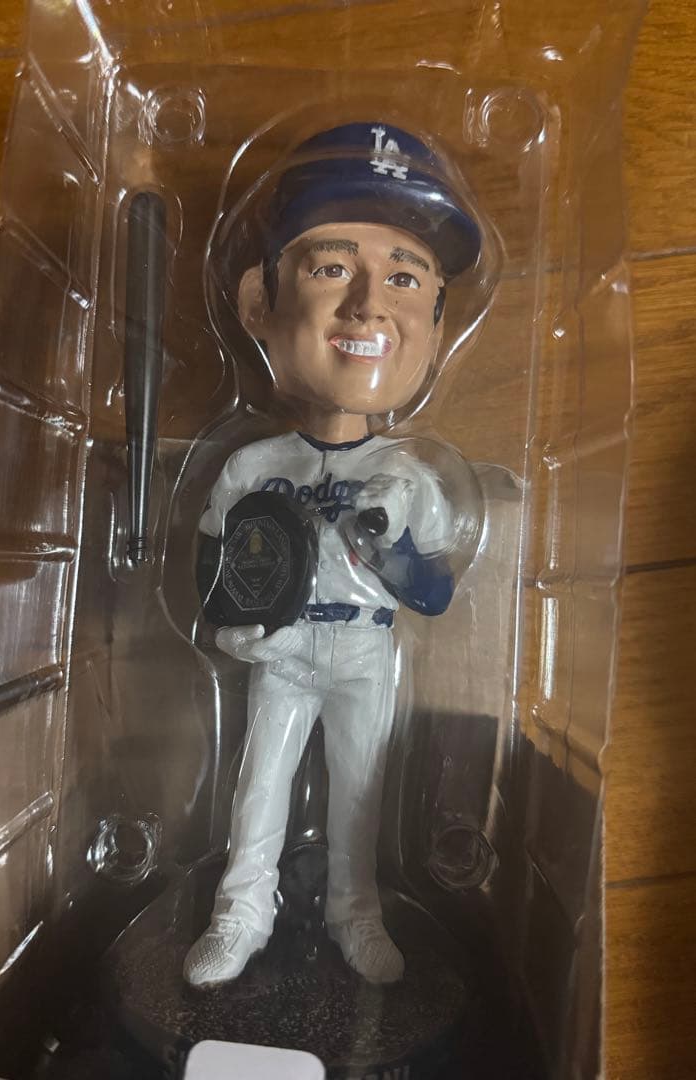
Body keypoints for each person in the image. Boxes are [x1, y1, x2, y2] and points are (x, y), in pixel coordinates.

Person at [183, 122, 481, 988]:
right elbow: (213, 566)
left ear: (436, 321)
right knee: (259, 784)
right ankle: (241, 912)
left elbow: (433, 593)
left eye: (404, 277)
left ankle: (358, 913)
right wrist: (233, 631)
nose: (368, 305)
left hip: (361, 645)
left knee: (360, 791)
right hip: (282, 647)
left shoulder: (408, 473)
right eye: (329, 268)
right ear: (260, 302)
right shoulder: (254, 465)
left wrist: (388, 550)